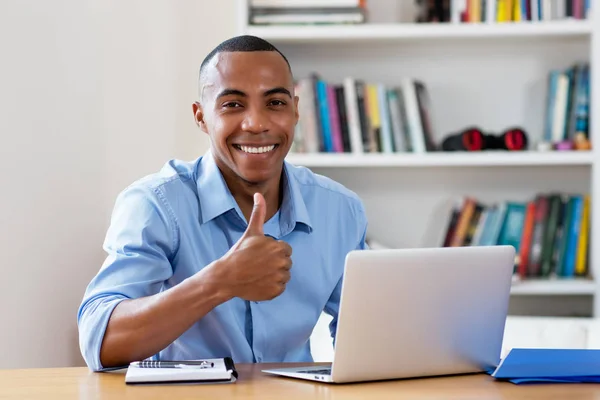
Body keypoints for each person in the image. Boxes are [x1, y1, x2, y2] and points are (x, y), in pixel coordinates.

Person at [77, 35, 369, 371]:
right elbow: (98, 341)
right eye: (233, 104)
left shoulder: (340, 210)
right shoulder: (155, 205)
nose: (256, 123)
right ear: (201, 117)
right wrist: (220, 281)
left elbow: (365, 337)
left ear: (295, 111)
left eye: (275, 103)